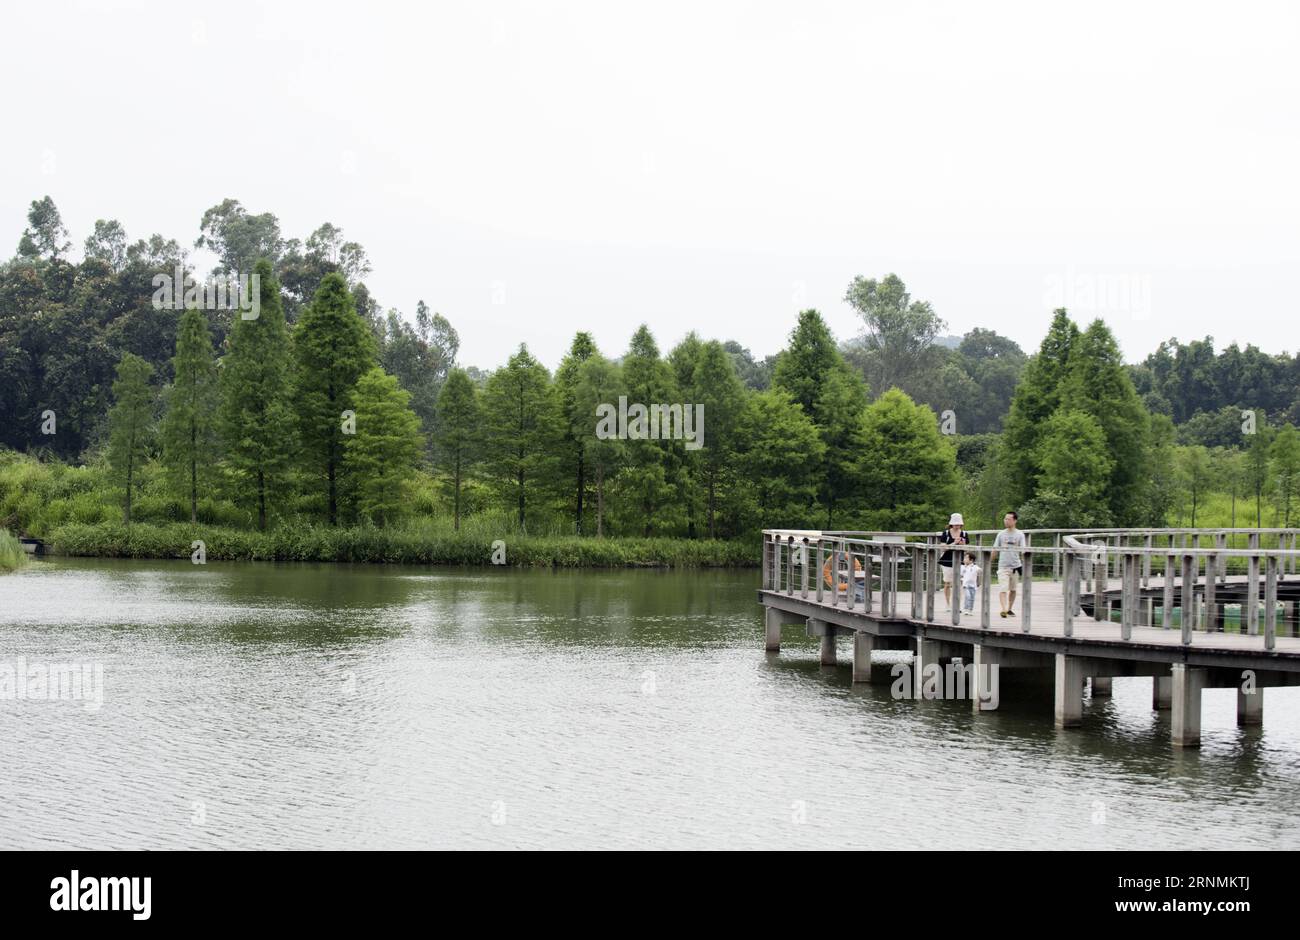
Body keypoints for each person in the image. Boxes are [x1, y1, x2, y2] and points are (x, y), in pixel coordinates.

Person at [993, 511, 1027, 618]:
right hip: (1003, 566)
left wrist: (1025, 562)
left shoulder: (1020, 534)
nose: (1006, 521)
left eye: (1008, 519)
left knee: (1013, 589)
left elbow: (1023, 550)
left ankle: (1009, 609)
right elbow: (995, 549)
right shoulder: (1001, 534)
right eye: (1005, 518)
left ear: (1015, 521)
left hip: (1015, 566)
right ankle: (1003, 609)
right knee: (1003, 588)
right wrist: (988, 562)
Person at [938, 513, 968, 609]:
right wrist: (954, 543)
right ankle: (948, 604)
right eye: (955, 524)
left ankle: (957, 604)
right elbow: (943, 548)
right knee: (947, 583)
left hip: (960, 561)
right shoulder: (945, 533)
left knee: (958, 583)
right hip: (947, 561)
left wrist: (963, 544)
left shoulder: (964, 534)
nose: (957, 526)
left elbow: (967, 549)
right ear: (951, 524)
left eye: (958, 524)